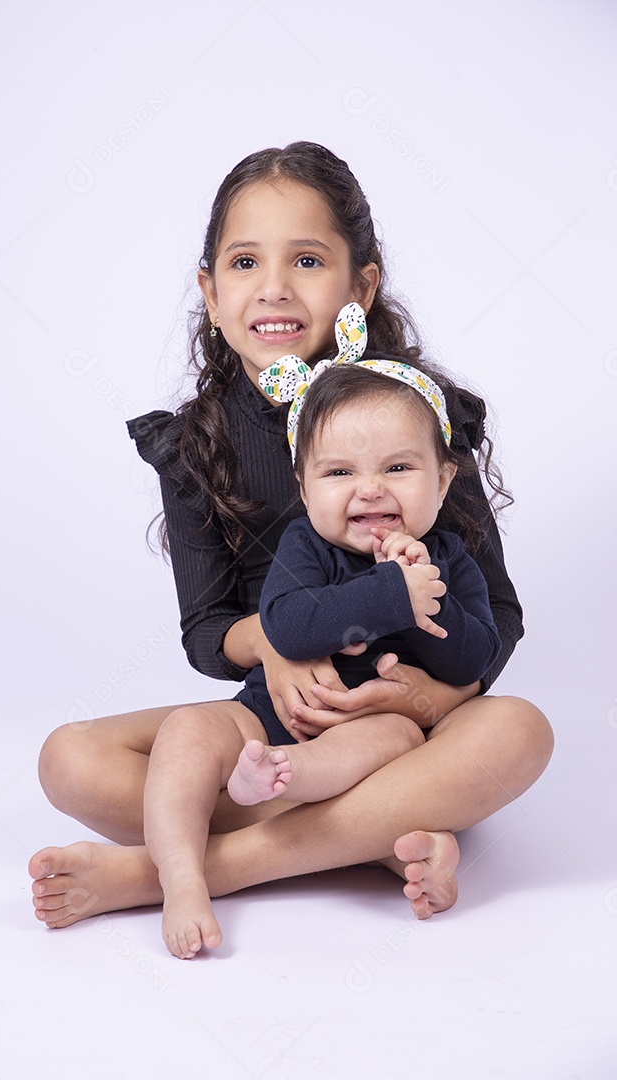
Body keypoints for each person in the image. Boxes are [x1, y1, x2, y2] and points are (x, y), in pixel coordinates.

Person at [29, 141, 553, 952]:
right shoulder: (194, 443)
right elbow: (208, 631)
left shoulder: (422, 421)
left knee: (519, 731)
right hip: (275, 717)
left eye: (308, 259)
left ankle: (189, 869)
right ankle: (379, 833)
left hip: (399, 720)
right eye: (244, 262)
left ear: (361, 285)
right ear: (209, 291)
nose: (274, 286)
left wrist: (427, 700)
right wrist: (276, 645)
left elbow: (501, 616)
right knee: (71, 758)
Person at [142, 329, 504, 957]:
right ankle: (181, 878)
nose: (370, 489)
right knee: (186, 732)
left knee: (393, 735)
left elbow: (473, 659)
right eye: (340, 472)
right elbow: (289, 625)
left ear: (443, 481)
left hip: (372, 738)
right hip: (270, 716)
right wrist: (390, 594)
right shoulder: (304, 548)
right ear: (304, 489)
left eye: (398, 467)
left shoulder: (446, 560)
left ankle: (284, 785)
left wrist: (426, 598)